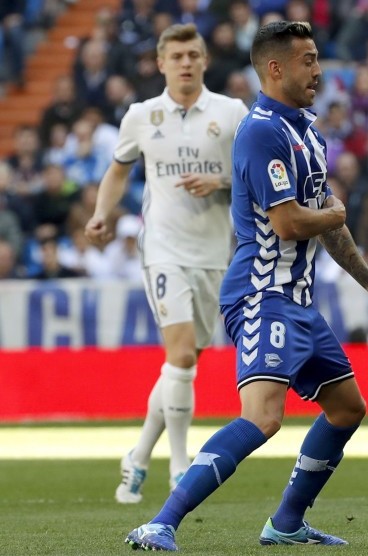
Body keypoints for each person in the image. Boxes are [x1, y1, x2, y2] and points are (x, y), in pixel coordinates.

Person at [125, 21, 368, 551]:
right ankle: (159, 523)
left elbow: (328, 223)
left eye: (317, 58)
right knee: (262, 418)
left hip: (298, 301)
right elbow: (290, 223)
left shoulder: (308, 132)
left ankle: (286, 523)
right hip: (260, 294)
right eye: (308, 60)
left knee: (348, 408)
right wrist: (334, 213)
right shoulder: (260, 132)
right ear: (275, 68)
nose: (318, 71)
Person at [84, 23, 249, 504]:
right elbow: (118, 170)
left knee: (183, 367)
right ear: (160, 63)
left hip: (216, 255)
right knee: (179, 357)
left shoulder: (232, 113)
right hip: (163, 249)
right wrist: (100, 214)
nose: (185, 63)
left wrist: (218, 181)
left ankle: (136, 457)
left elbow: (250, 175)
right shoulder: (141, 115)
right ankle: (180, 469)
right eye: (175, 56)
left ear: (204, 61)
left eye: (193, 55)